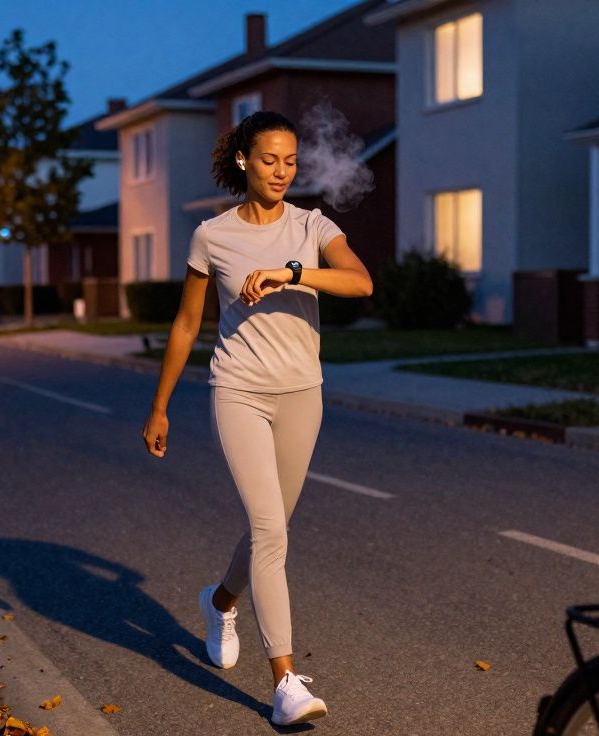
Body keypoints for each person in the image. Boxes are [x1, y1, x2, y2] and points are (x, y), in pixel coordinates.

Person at [140, 111, 373, 726]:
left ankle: (220, 602)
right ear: (244, 159)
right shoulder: (211, 236)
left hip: (302, 394)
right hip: (238, 390)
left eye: (291, 161)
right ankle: (285, 683)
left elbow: (361, 283)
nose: (281, 171)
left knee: (272, 528)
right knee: (271, 530)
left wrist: (290, 272)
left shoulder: (312, 225)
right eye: (270, 159)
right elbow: (186, 324)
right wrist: (160, 407)